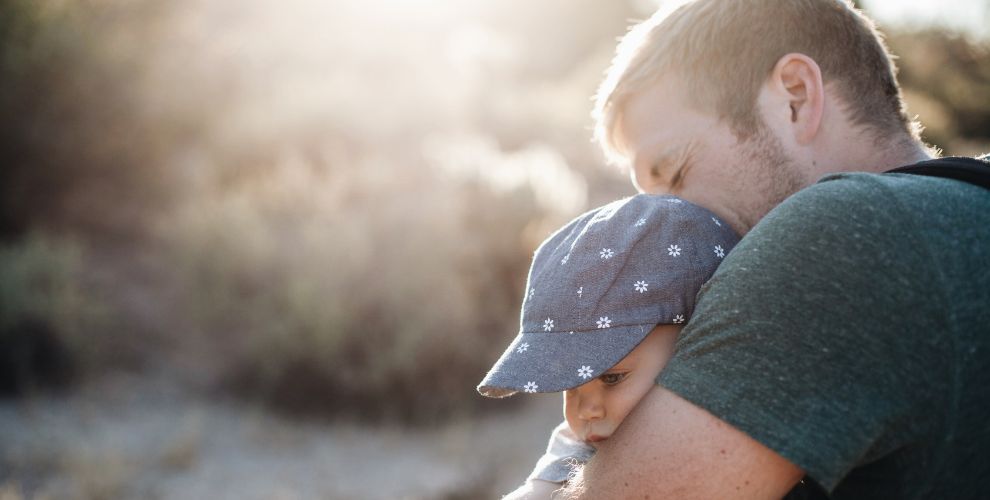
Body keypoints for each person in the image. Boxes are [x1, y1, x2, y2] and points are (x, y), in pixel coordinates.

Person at [555, 0, 990, 498]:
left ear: (796, 97)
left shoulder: (836, 237)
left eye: (675, 174)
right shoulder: (967, 207)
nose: (663, 228)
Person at [476, 194, 739, 498]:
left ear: (696, 340)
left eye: (612, 377)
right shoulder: (581, 448)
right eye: (571, 384)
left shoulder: (740, 435)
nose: (586, 411)